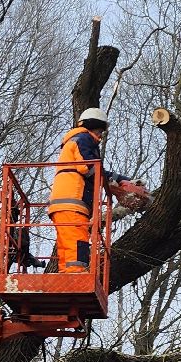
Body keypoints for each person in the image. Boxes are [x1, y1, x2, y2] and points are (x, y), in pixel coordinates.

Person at [46, 107, 149, 272]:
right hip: (73, 201)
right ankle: (76, 276)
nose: (101, 135)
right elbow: (89, 167)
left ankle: (66, 275)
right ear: (93, 125)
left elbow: (95, 170)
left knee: (66, 244)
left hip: (62, 203)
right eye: (100, 130)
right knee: (77, 240)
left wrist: (121, 180)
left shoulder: (74, 141)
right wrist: (114, 181)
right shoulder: (83, 139)